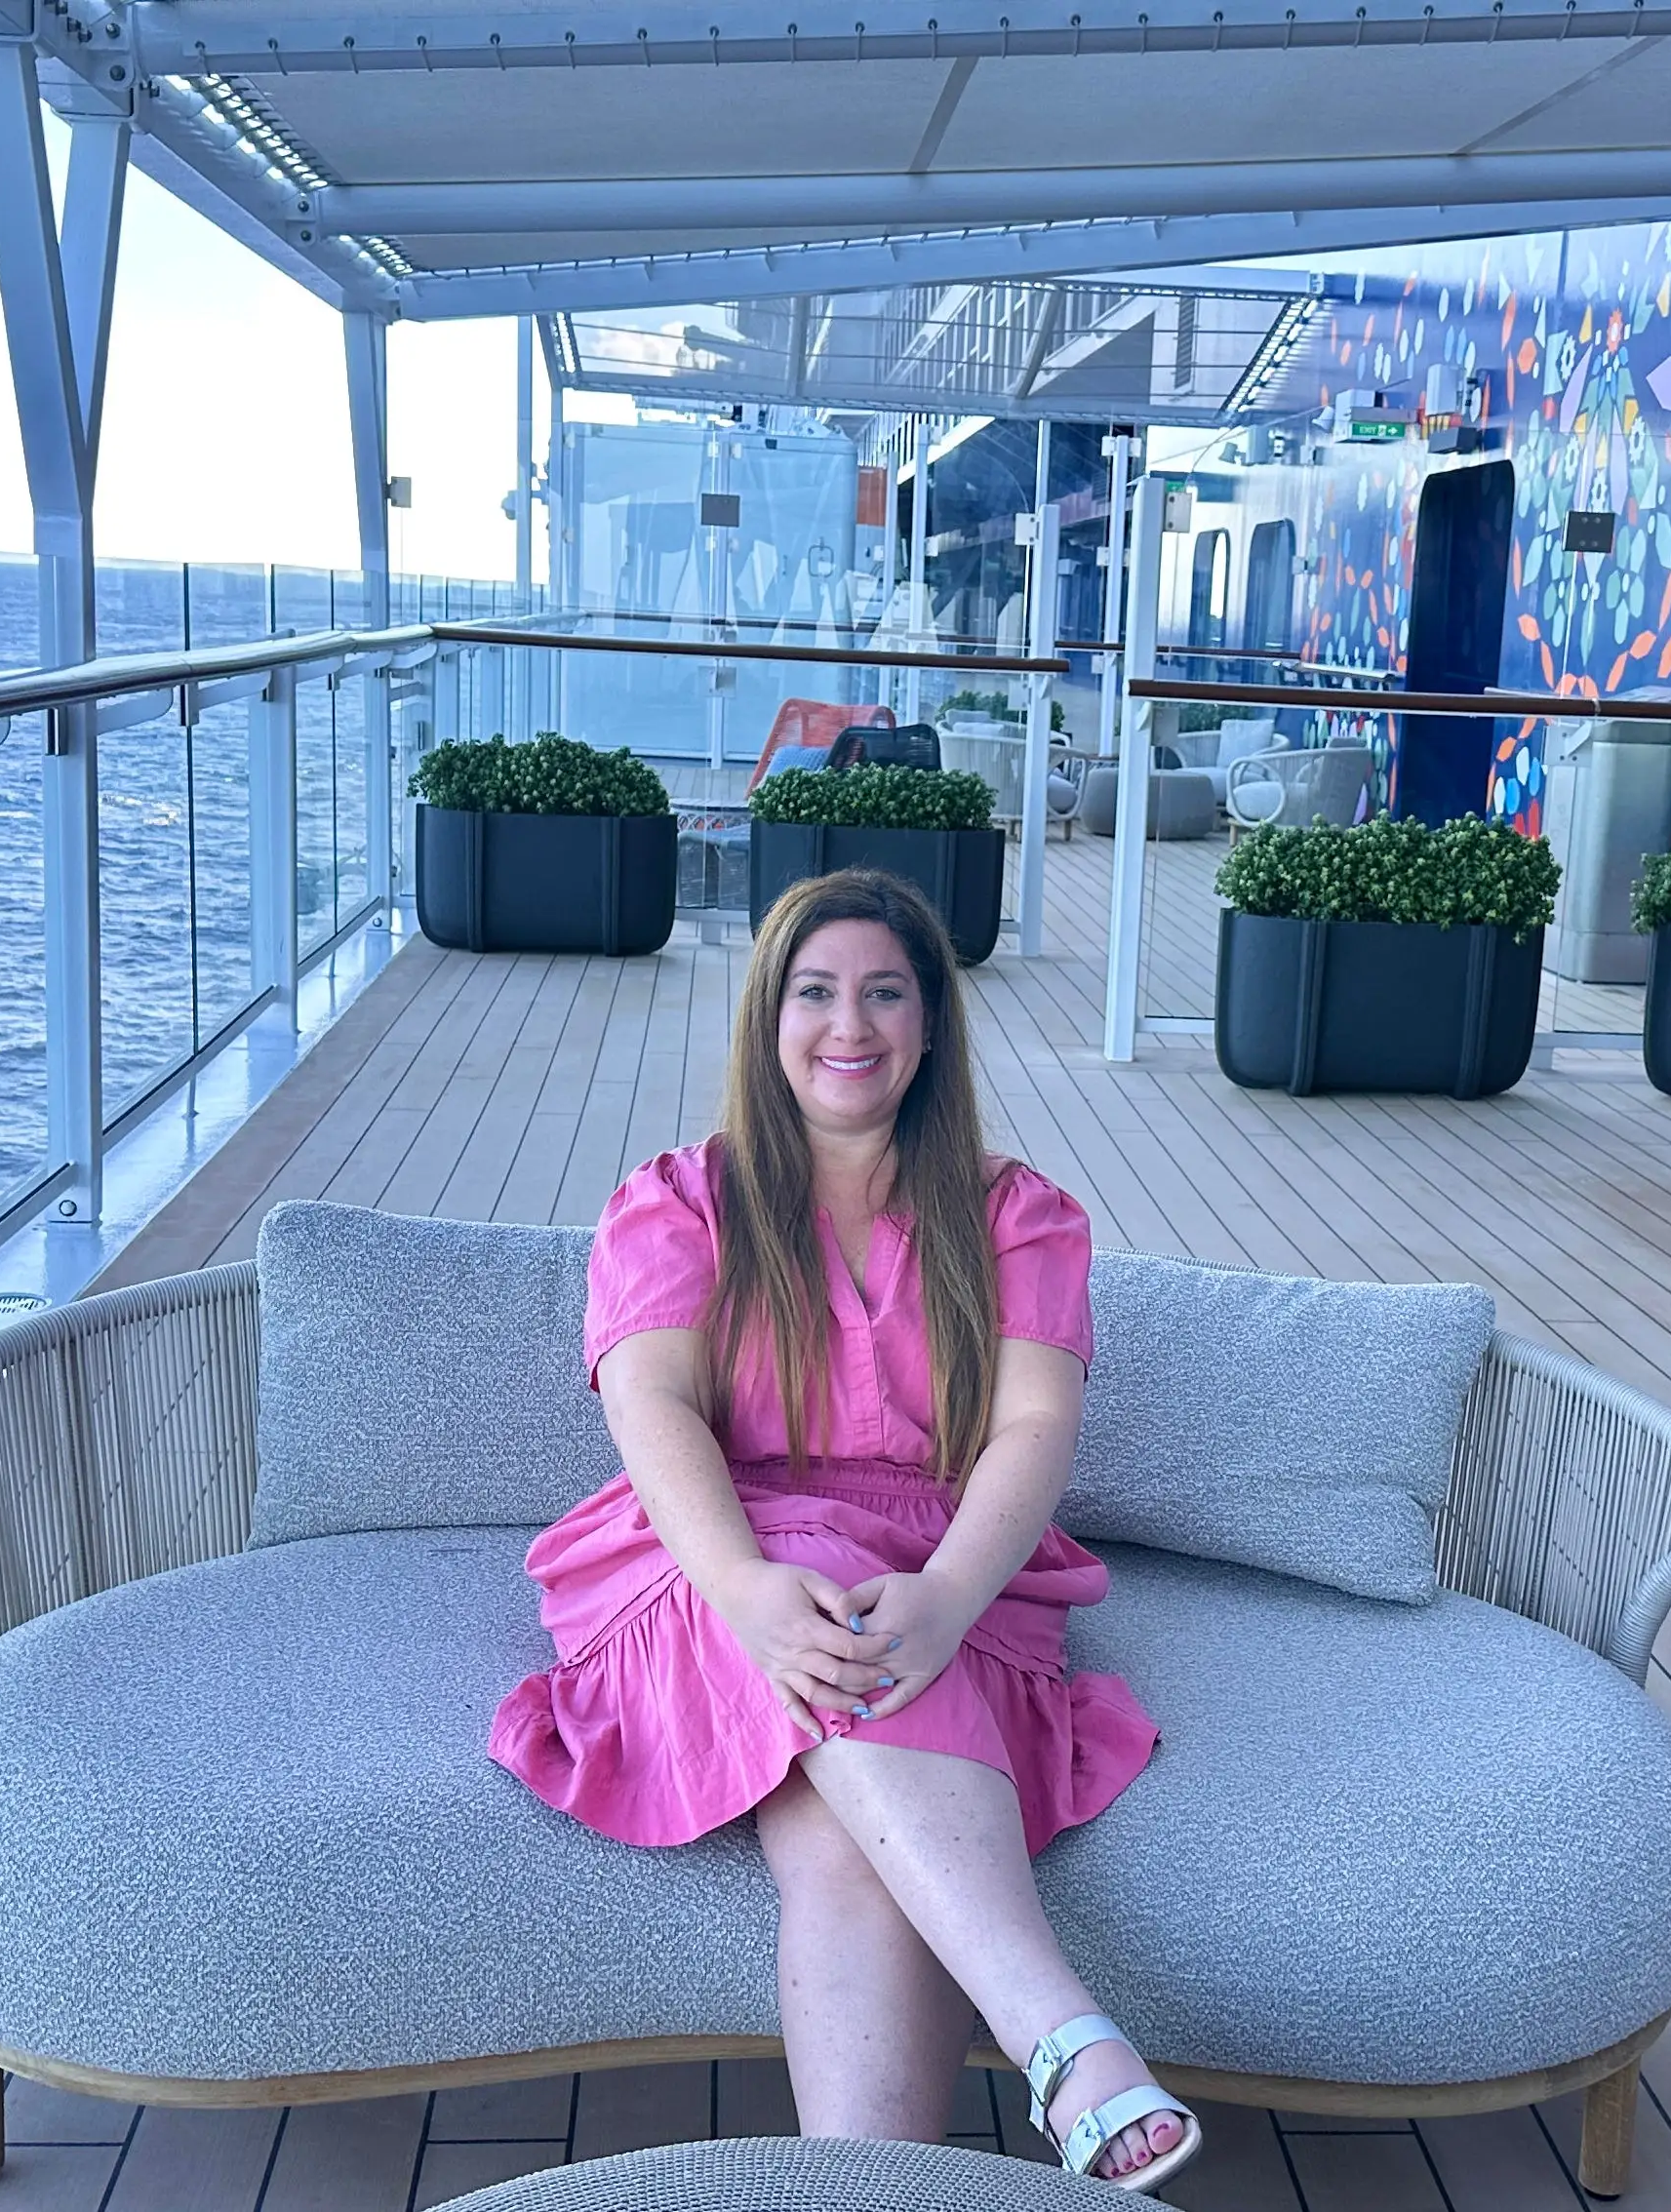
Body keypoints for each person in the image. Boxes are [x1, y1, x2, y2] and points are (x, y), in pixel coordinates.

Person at [489, 869, 1199, 2192]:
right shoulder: (680, 1201)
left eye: (884, 993)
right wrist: (746, 1588)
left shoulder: (1017, 1216)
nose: (849, 1025)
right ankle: (1064, 2038)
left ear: (929, 1025)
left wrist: (948, 1596)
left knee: (841, 1843)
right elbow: (652, 1407)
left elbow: (1034, 1427)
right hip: (715, 1560)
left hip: (943, 1576)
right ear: (769, 1017)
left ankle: (862, 2192)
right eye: (814, 992)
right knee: (818, 1589)